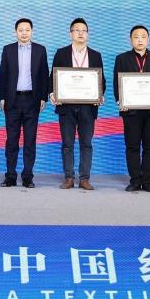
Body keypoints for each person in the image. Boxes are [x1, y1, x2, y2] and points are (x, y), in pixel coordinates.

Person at [50, 18, 105, 190]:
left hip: (88, 107)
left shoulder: (95, 55)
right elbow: (53, 78)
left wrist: (99, 95)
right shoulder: (61, 53)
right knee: (67, 144)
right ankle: (68, 178)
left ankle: (84, 179)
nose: (81, 33)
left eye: (84, 30)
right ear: (70, 34)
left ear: (87, 34)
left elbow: (101, 80)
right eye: (77, 30)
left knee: (86, 143)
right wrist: (53, 94)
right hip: (66, 106)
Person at [113, 25, 150, 192]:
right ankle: (135, 180)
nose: (140, 40)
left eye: (143, 37)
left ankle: (148, 181)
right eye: (136, 37)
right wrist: (120, 100)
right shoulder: (122, 58)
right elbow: (117, 82)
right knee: (132, 146)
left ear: (148, 39)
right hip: (131, 110)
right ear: (130, 40)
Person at [0, 18, 50, 188]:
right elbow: (3, 74)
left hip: (32, 100)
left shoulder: (40, 50)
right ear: (15, 32)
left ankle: (28, 176)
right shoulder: (8, 49)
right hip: (12, 100)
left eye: (27, 30)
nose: (24, 33)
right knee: (11, 140)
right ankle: (10, 176)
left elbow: (44, 74)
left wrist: (43, 97)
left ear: (32, 31)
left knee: (30, 140)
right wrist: (2, 97)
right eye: (21, 30)